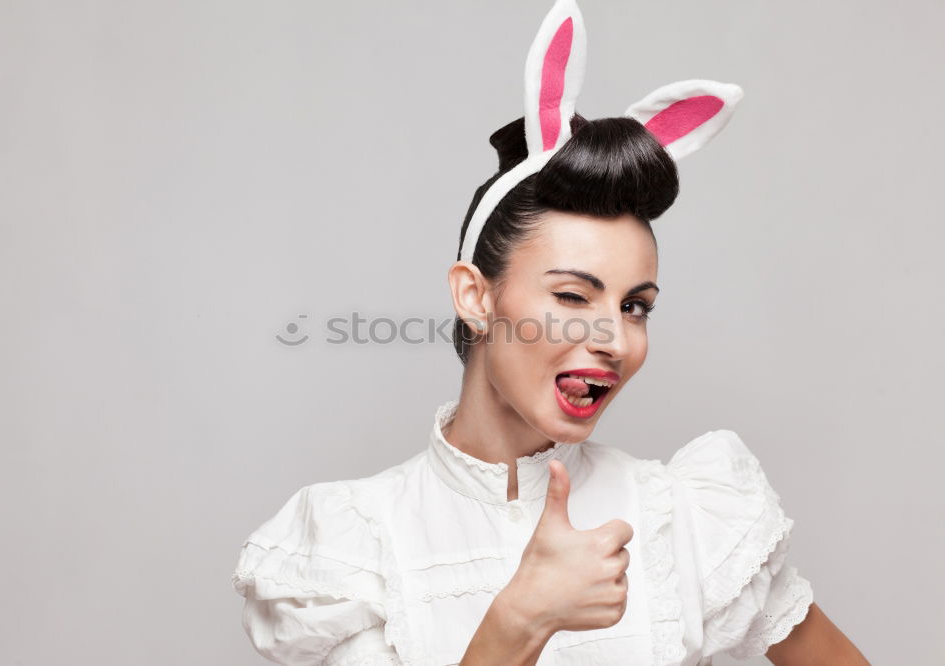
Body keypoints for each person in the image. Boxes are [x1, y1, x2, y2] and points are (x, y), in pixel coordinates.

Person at [231, 1, 870, 664]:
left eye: (635, 307)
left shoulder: (687, 520)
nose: (615, 340)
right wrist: (518, 620)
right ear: (476, 297)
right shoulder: (355, 548)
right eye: (572, 295)